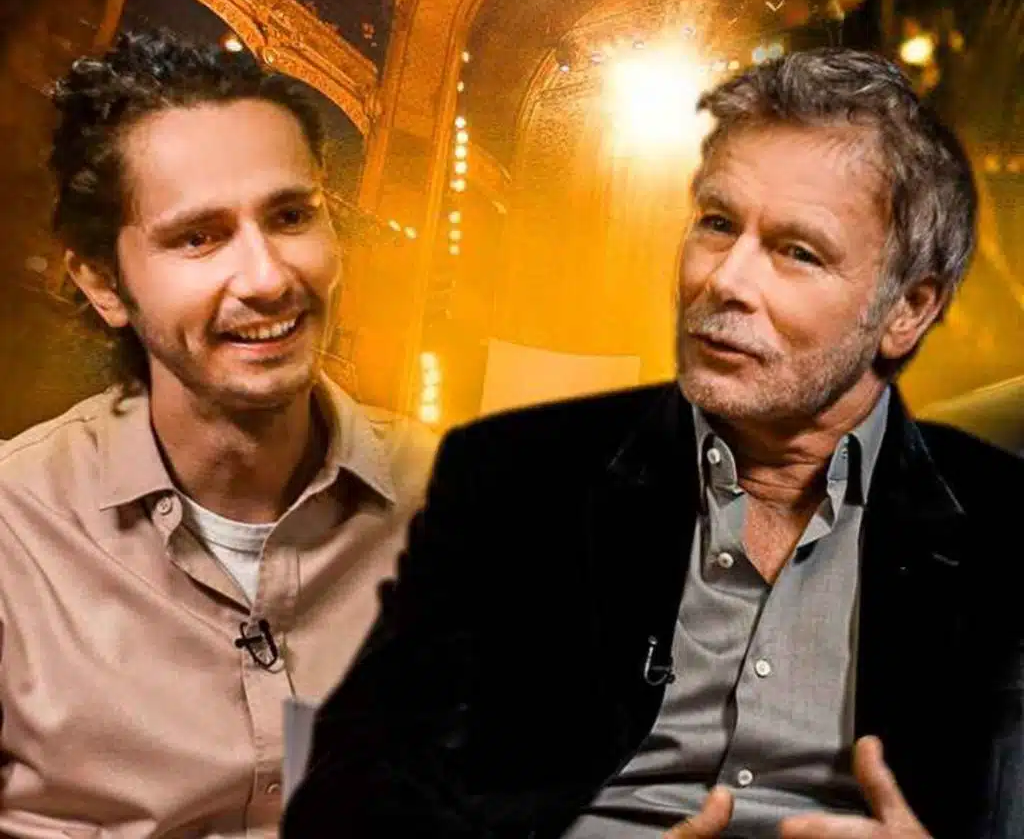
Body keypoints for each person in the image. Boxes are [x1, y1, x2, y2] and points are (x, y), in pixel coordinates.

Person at [285, 48, 1024, 839]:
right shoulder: (516, 477)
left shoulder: (1004, 524)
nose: (725, 280)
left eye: (797, 252)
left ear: (907, 311)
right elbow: (348, 795)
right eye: (717, 223)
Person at [0, 30, 436, 837]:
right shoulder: (14, 534)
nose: (268, 278)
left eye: (292, 216)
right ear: (103, 282)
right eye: (197, 236)